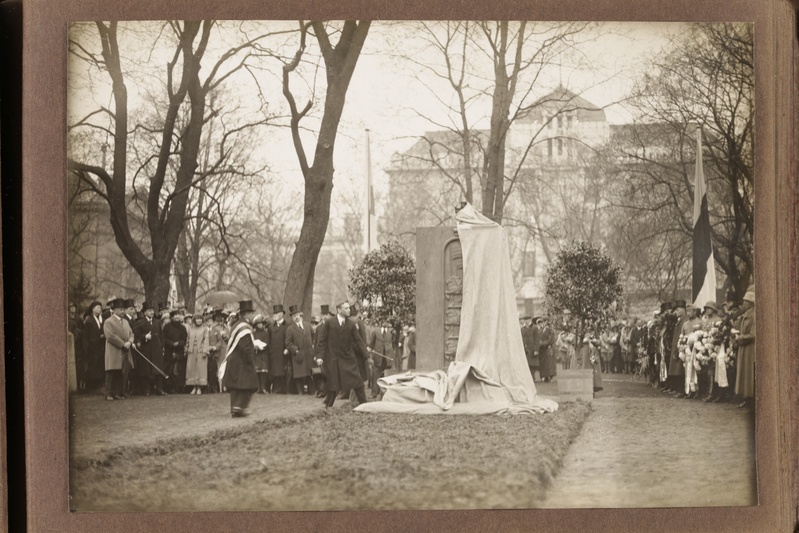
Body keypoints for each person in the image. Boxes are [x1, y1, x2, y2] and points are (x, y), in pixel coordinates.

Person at [315, 301, 372, 408]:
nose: (349, 310)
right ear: (339, 310)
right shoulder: (329, 323)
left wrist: (367, 356)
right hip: (333, 359)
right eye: (346, 308)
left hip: (348, 358)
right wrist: (320, 357)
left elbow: (359, 341)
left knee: (358, 382)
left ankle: (365, 406)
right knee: (333, 385)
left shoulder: (351, 324)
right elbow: (321, 341)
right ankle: (327, 407)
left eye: (349, 308)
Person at [220, 300, 260, 417]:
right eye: (251, 313)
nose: (253, 316)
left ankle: (235, 408)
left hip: (234, 359)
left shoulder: (236, 325)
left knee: (236, 386)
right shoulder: (245, 328)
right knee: (250, 384)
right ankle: (241, 407)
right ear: (247, 314)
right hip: (241, 361)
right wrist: (250, 360)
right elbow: (245, 347)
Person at [102, 298, 134, 401]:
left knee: (121, 372)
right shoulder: (108, 322)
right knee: (111, 372)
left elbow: (131, 333)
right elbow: (110, 336)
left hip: (125, 350)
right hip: (114, 351)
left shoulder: (125, 321)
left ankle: (118, 392)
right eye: (120, 309)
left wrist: (130, 341)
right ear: (114, 310)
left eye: (123, 309)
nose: (122, 312)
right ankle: (108, 393)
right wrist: (123, 344)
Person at [132, 301, 166, 396]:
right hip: (145, 349)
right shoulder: (140, 322)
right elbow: (136, 336)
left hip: (156, 349)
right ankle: (146, 390)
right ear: (145, 312)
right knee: (146, 371)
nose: (151, 312)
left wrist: (162, 347)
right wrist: (144, 337)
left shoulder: (157, 322)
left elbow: (161, 336)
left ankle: (159, 389)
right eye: (149, 310)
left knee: (158, 370)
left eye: (152, 310)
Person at [286, 305, 314, 395]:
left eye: (297, 315)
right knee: (299, 375)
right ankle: (300, 392)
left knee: (310, 374)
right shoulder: (290, 329)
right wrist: (296, 350)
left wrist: (312, 345)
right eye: (294, 316)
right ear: (292, 318)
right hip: (298, 355)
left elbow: (314, 336)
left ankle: (311, 392)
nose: (296, 317)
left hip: (309, 354)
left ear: (300, 315)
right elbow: (288, 343)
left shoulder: (307, 325)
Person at [734, 291, 756, 408]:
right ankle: (746, 398)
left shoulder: (755, 315)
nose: (743, 304)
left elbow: (754, 334)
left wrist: (739, 338)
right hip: (744, 347)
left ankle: (751, 398)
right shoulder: (745, 315)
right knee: (744, 373)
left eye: (745, 302)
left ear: (750, 303)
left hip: (750, 348)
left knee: (749, 373)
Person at [81, 301, 106, 393]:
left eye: (100, 307)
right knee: (93, 365)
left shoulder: (102, 319)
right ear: (92, 309)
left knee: (101, 364)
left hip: (101, 346)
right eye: (97, 307)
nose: (99, 309)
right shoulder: (89, 321)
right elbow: (86, 335)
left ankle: (99, 383)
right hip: (93, 346)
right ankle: (92, 386)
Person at [163, 309, 188, 393]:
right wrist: (171, 343)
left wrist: (179, 343)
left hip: (179, 351)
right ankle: (170, 388)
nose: (177, 317)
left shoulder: (183, 328)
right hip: (169, 350)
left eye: (179, 315)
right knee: (169, 370)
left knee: (179, 370)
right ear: (172, 317)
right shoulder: (167, 327)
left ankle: (179, 387)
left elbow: (184, 339)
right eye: (175, 315)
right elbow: (163, 338)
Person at [267, 304, 290, 394]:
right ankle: (276, 389)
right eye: (274, 313)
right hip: (274, 354)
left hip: (283, 353)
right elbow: (268, 341)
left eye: (276, 313)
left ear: (281, 314)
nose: (274, 315)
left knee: (283, 372)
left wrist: (287, 349)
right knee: (275, 373)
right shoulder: (271, 327)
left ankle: (283, 389)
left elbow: (290, 339)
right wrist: (270, 350)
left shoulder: (288, 326)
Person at [185, 313, 210, 395]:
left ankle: (199, 387)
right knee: (192, 369)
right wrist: (186, 349)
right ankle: (194, 387)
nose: (199, 320)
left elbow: (206, 340)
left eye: (200, 319)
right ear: (194, 320)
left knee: (200, 369)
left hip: (200, 350)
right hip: (192, 351)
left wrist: (205, 351)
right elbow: (188, 340)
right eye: (197, 319)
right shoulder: (190, 329)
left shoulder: (205, 329)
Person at [368, 322, 394, 397]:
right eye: (383, 321)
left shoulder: (391, 331)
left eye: (387, 321)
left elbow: (394, 342)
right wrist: (370, 351)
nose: (385, 323)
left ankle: (386, 393)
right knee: (376, 374)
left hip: (388, 356)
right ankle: (374, 393)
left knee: (387, 375)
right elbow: (371, 344)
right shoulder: (376, 331)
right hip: (378, 356)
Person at [252, 314, 270, 394]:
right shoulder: (253, 334)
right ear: (255, 325)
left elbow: (267, 343)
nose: (260, 325)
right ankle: (258, 388)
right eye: (258, 324)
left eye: (261, 324)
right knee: (257, 372)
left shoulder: (266, 333)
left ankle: (263, 387)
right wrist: (255, 347)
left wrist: (262, 347)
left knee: (263, 372)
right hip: (256, 354)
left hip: (263, 354)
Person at [537, 317, 556, 382]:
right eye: (539, 323)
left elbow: (551, 339)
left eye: (543, 322)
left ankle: (550, 376)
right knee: (544, 363)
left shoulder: (549, 329)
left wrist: (544, 343)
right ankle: (545, 376)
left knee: (549, 363)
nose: (542, 323)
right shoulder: (540, 330)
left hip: (548, 348)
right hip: (542, 349)